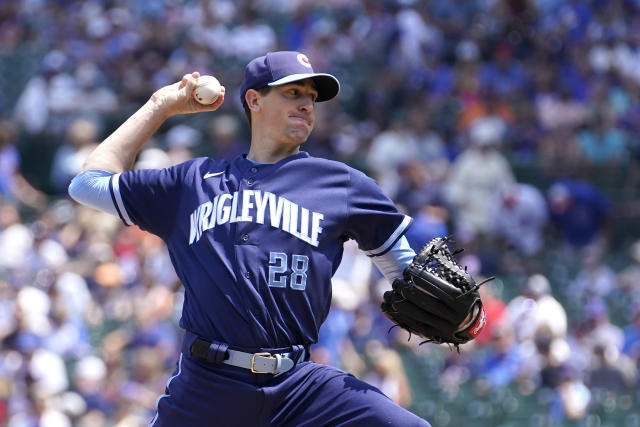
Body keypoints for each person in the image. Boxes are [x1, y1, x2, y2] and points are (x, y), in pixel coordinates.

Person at [69, 51, 430, 426]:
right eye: (293, 93)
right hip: (207, 389)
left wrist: (459, 314)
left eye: (311, 97)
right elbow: (87, 184)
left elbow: (403, 268)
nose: (307, 104)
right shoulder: (191, 184)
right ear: (254, 100)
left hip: (299, 387)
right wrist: (160, 106)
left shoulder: (342, 184)